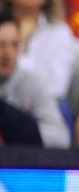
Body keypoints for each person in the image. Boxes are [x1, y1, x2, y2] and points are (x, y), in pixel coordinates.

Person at [0, 10, 70, 148]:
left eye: (14, 45)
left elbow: (60, 137)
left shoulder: (33, 83)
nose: (8, 53)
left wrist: (20, 128)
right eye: (1, 45)